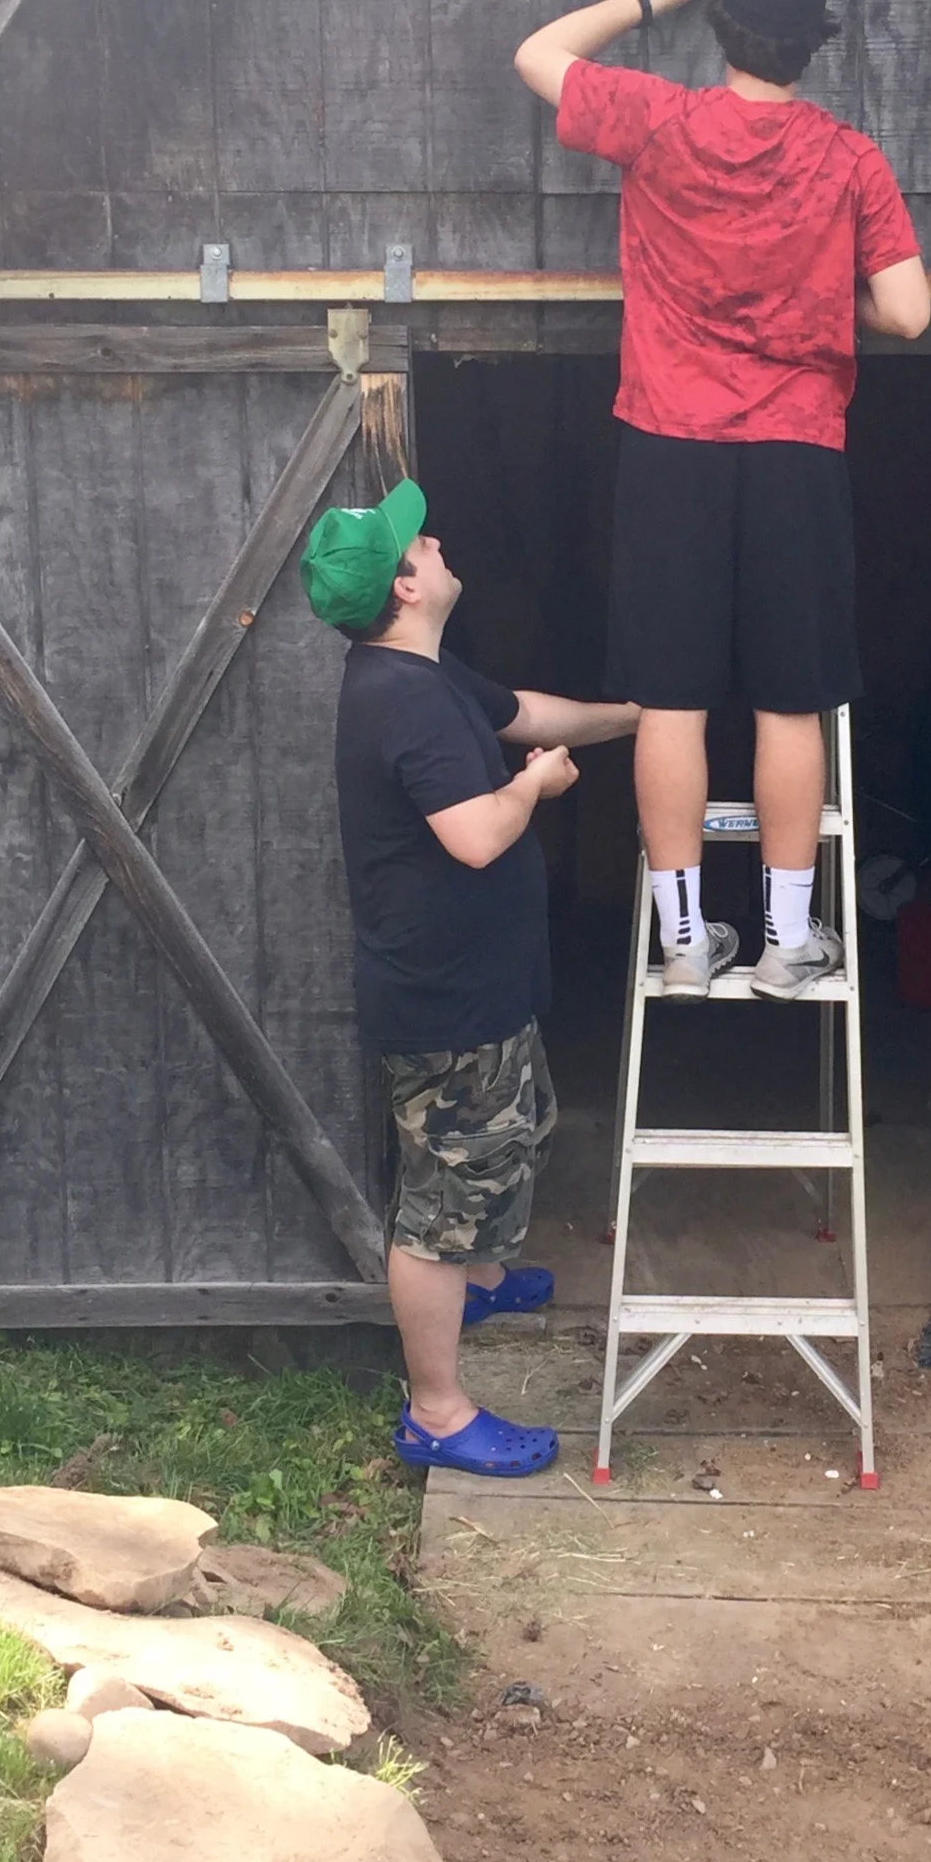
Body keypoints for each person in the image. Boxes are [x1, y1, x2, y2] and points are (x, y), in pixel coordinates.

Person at [513, 0, 930, 999]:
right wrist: (804, 294)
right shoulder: (848, 159)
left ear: (725, 24)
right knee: (791, 703)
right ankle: (790, 942)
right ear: (814, 44)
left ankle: (685, 942)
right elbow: (910, 312)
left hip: (669, 447)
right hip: (795, 449)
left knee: (670, 702)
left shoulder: (660, 123)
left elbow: (537, 55)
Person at [302, 475, 637, 1478]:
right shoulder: (403, 702)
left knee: (513, 1135)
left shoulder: (428, 674)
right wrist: (533, 782)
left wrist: (633, 714)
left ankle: (481, 1274)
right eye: (420, 542)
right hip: (444, 1004)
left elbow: (526, 710)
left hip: (479, 989)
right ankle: (437, 1412)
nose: (437, 541)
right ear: (405, 586)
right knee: (440, 1204)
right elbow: (478, 836)